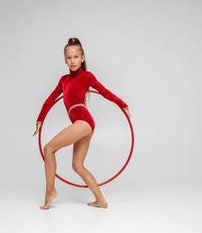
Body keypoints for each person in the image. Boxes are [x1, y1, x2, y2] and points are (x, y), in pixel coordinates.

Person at [33, 38, 131, 210]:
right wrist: (40, 119)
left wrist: (122, 104)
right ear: (65, 59)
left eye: (76, 57)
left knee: (49, 149)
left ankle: (50, 191)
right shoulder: (63, 80)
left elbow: (104, 91)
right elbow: (49, 100)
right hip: (84, 125)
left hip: (84, 122)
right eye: (69, 57)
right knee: (77, 166)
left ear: (82, 58)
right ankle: (101, 201)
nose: (72, 61)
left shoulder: (87, 76)